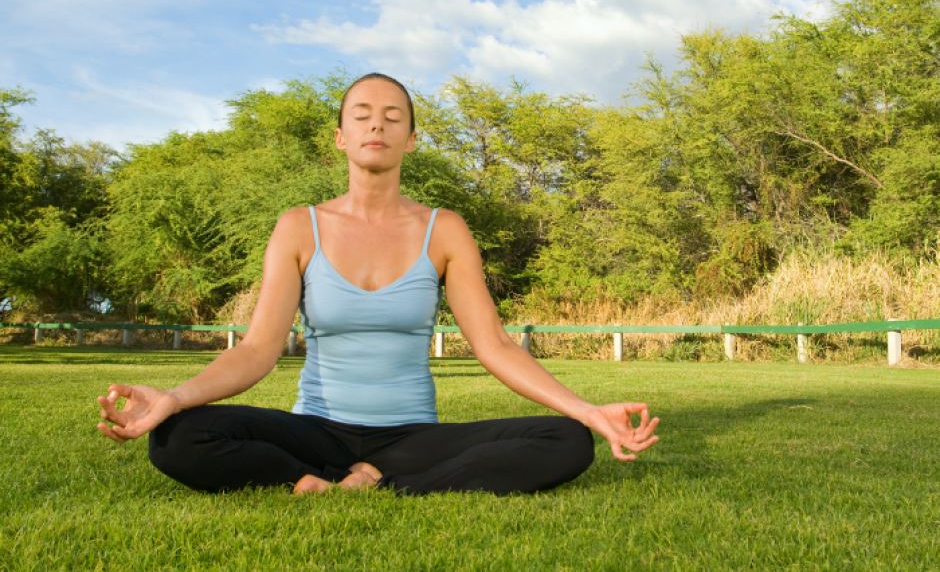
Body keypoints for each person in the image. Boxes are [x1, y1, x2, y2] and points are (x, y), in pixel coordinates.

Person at [96, 73, 660, 495]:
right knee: (176, 436)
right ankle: (308, 478)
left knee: (564, 441)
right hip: (315, 428)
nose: (377, 125)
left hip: (410, 435)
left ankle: (383, 479)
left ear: (411, 139)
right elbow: (257, 350)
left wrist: (586, 411)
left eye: (393, 117)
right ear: (340, 136)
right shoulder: (300, 226)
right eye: (362, 114)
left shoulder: (445, 230)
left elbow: (493, 345)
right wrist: (174, 398)